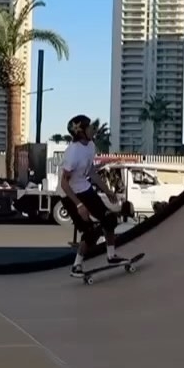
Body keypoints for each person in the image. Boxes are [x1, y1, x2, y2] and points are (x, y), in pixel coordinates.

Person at [59, 114, 126, 277]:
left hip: (85, 188)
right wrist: (79, 205)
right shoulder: (72, 153)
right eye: (89, 127)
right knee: (90, 231)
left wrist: (108, 191)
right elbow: (64, 184)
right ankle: (76, 266)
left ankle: (111, 256)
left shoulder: (90, 146)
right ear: (80, 132)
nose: (92, 129)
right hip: (69, 194)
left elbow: (91, 173)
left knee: (109, 219)